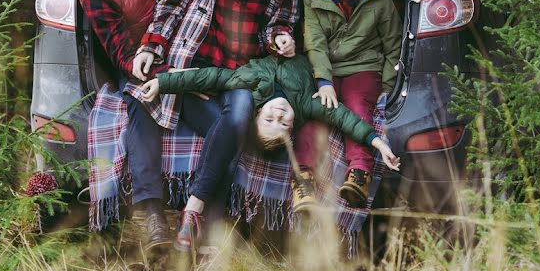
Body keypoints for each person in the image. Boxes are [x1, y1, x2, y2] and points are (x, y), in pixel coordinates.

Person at [129, 0, 304, 253]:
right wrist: (150, 47)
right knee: (229, 137)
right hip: (194, 61)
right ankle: (210, 231)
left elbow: (279, 23)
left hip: (239, 73)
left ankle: (192, 209)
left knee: (238, 121)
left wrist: (281, 38)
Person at [68, 0, 179, 249]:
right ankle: (152, 216)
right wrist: (148, 68)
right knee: (140, 108)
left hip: (181, 51)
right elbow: (120, 53)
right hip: (136, 64)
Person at [138, 54, 400, 175]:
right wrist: (378, 142)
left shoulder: (246, 88)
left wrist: (163, 83)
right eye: (283, 123)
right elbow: (345, 118)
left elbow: (211, 76)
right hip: (306, 47)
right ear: (293, 125)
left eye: (269, 120)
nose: (278, 114)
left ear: (257, 112)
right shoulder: (307, 104)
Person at [301, 0, 403, 208]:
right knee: (316, 112)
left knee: (358, 106)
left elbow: (394, 46)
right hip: (328, 71)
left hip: (364, 68)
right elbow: (315, 45)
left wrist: (387, 86)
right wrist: (323, 81)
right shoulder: (314, 1)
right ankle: (304, 178)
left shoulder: (380, 2)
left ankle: (359, 173)